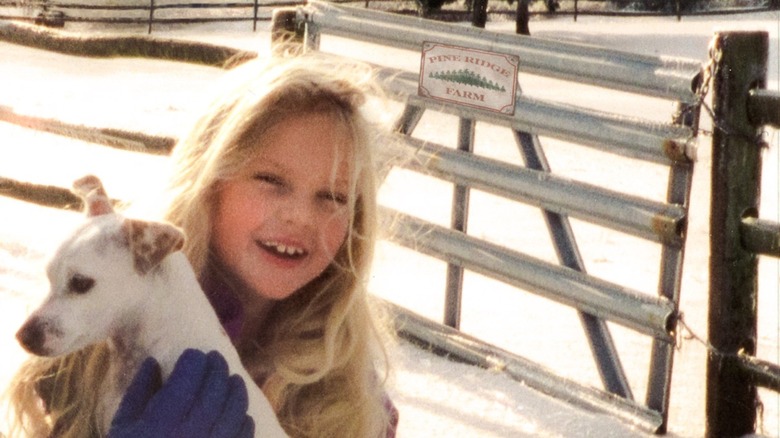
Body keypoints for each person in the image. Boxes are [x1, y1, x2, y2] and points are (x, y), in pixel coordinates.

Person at [4, 52, 398, 438]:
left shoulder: (348, 397)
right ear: (207, 183)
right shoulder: (86, 344)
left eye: (332, 197)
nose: (300, 216)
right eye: (271, 180)